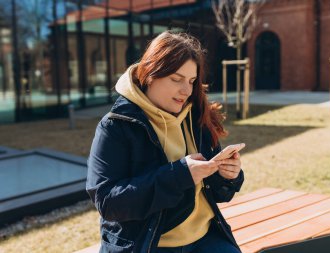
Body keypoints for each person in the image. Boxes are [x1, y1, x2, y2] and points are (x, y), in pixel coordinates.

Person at [86, 30, 244, 253]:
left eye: (191, 81)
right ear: (151, 73)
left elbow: (218, 194)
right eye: (176, 79)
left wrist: (228, 175)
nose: (186, 90)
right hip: (148, 246)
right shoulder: (115, 125)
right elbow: (108, 203)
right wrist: (180, 175)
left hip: (206, 238)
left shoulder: (197, 116)